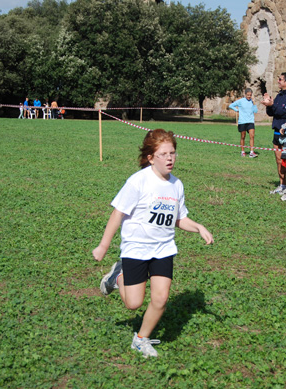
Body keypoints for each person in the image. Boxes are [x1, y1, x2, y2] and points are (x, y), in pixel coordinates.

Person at [92, 129, 214, 358]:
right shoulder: (138, 181)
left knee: (160, 298)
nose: (170, 158)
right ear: (150, 157)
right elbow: (117, 214)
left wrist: (199, 227)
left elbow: (179, 219)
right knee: (133, 303)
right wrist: (103, 246)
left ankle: (141, 339)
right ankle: (117, 276)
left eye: (173, 153)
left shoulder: (176, 185)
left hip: (163, 249)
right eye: (164, 154)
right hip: (136, 248)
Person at [261, 72, 286, 194]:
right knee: (279, 160)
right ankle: (282, 185)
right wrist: (268, 105)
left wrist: (273, 105)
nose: (278, 81)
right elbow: (272, 113)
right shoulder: (279, 95)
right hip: (277, 131)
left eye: (280, 79)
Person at [229, 88, 259, 157]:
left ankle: (251, 152)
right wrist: (236, 110)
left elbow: (255, 111)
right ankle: (242, 151)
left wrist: (254, 102)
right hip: (242, 122)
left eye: (250, 95)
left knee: (252, 136)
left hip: (250, 121)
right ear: (245, 94)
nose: (249, 96)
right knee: (243, 136)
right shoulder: (241, 101)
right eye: (248, 95)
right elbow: (231, 105)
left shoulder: (252, 101)